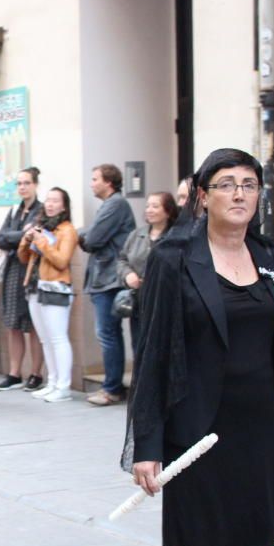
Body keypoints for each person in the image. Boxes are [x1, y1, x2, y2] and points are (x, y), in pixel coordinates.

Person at [127, 148, 274, 546]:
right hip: (197, 429)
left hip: (263, 428)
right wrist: (148, 442)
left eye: (249, 184)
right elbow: (153, 354)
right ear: (203, 197)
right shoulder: (174, 259)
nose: (239, 194)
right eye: (227, 184)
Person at [80, 164, 136, 406]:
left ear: (109, 182)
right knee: (109, 333)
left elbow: (92, 239)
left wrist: (82, 236)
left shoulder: (115, 204)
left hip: (110, 279)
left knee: (107, 333)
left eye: (95, 179)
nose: (91, 183)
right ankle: (113, 385)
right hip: (104, 277)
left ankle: (112, 387)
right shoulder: (110, 205)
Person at [18, 187, 78, 402]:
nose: (50, 204)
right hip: (35, 287)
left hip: (56, 288)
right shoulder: (41, 227)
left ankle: (64, 386)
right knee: (45, 339)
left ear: (64, 205)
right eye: (48, 200)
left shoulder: (67, 230)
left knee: (58, 338)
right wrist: (26, 240)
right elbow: (24, 258)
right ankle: (52, 382)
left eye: (55, 201)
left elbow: (61, 261)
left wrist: (42, 242)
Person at [0, 167, 45, 392]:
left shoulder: (42, 210)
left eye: (26, 183)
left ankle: (36, 373)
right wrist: (19, 236)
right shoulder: (14, 210)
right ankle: (14, 373)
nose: (22, 187)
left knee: (34, 325)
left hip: (33, 270)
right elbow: (2, 238)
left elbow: (35, 235)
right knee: (12, 323)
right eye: (19, 183)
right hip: (12, 270)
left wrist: (19, 237)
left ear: (35, 185)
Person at [117, 191, 179, 349]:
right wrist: (127, 274)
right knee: (139, 345)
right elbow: (122, 259)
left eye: (155, 206)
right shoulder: (137, 235)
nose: (149, 210)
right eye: (148, 206)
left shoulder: (176, 237)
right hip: (139, 301)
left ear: (168, 211)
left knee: (161, 347)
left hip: (164, 302)